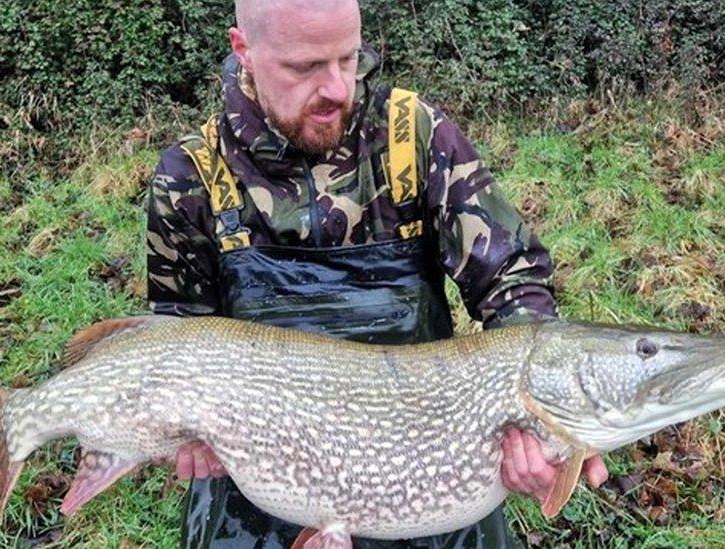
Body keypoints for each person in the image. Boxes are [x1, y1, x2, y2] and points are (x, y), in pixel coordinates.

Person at [146, 1, 608, 547]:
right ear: (243, 50)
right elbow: (175, 341)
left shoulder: (415, 136)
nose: (338, 88)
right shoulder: (192, 176)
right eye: (305, 67)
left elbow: (510, 276)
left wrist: (540, 412)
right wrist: (184, 430)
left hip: (429, 460)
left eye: (349, 58)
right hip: (261, 481)